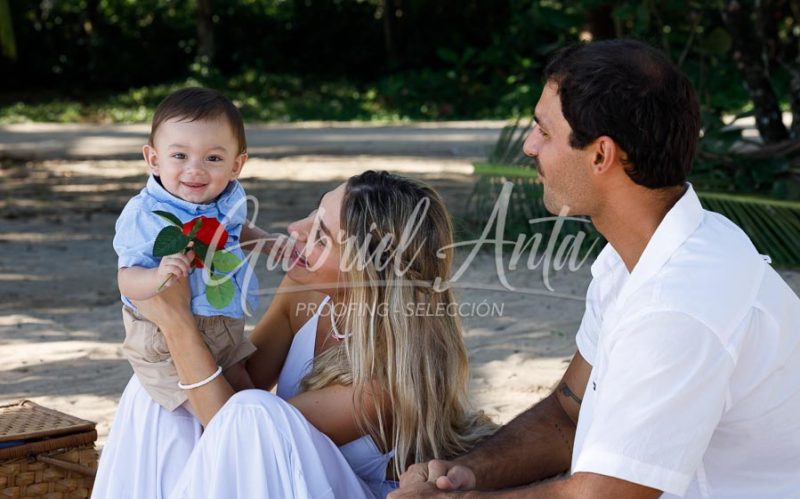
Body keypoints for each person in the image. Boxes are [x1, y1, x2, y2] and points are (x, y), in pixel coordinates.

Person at [391, 39, 800, 499]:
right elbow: (570, 411)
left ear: (601, 155)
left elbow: (604, 495)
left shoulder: (679, 305)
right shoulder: (645, 253)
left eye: (544, 132)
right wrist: (467, 473)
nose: (529, 146)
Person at [93, 170, 496, 499]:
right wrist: (200, 289)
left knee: (253, 410)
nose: (293, 229)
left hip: (349, 493)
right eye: (312, 215)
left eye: (320, 236)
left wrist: (177, 324)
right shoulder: (303, 294)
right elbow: (239, 379)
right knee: (155, 392)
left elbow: (239, 428)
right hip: (272, 479)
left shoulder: (384, 382)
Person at [113, 87, 277, 416]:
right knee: (203, 413)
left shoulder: (226, 198)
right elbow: (126, 279)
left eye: (213, 158)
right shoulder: (145, 214)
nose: (195, 169)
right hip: (163, 338)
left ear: (236, 165)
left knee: (248, 400)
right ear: (154, 160)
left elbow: (233, 229)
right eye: (180, 156)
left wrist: (266, 241)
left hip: (224, 325)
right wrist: (157, 276)